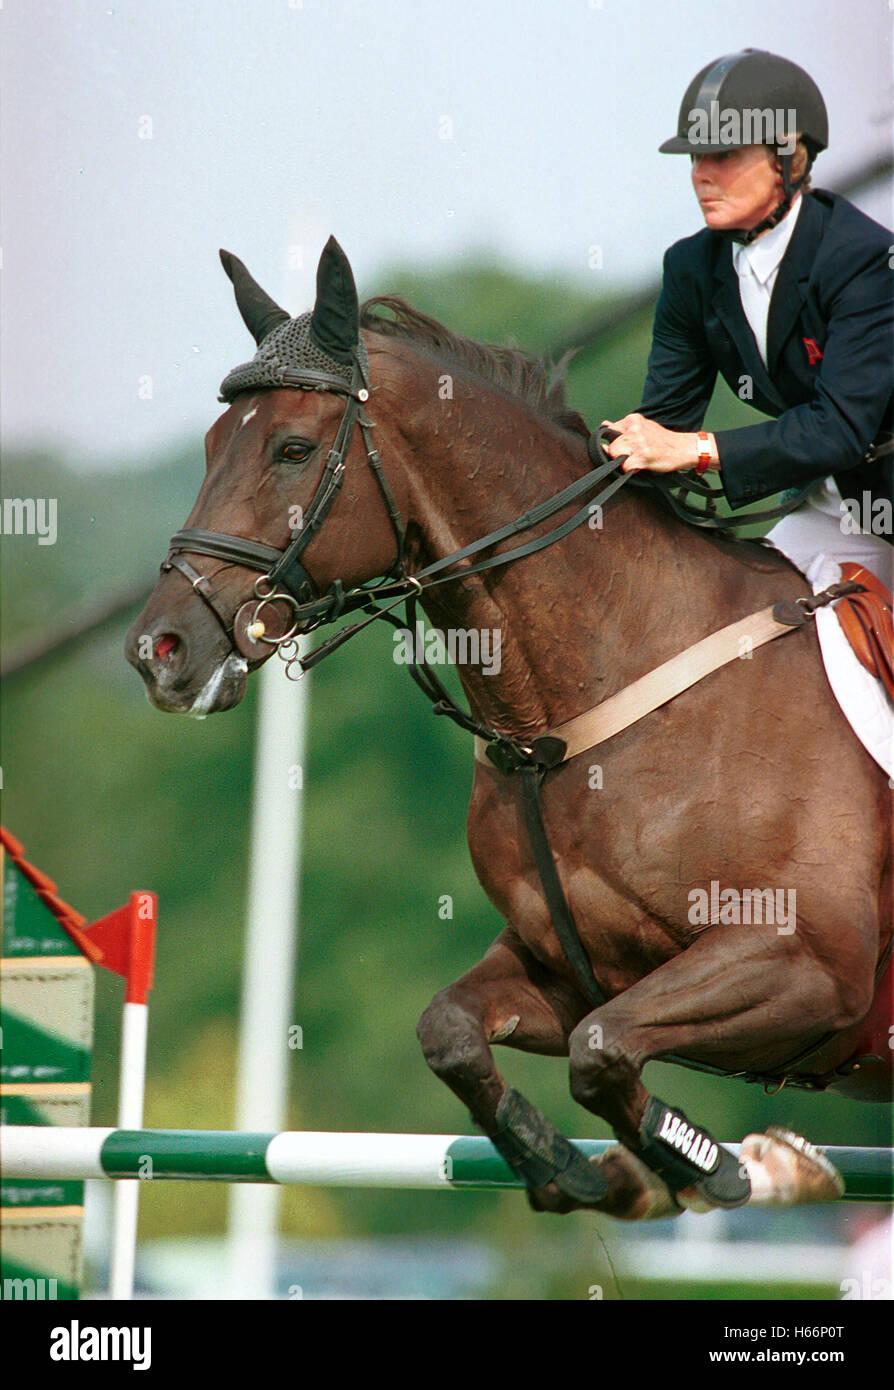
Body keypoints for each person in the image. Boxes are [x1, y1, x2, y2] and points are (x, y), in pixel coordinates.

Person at [602, 48, 893, 594]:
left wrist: (698, 449)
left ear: (792, 159)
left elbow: (839, 429)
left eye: (723, 156)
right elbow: (664, 421)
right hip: (827, 513)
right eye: (694, 159)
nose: (701, 176)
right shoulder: (691, 268)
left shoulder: (863, 260)